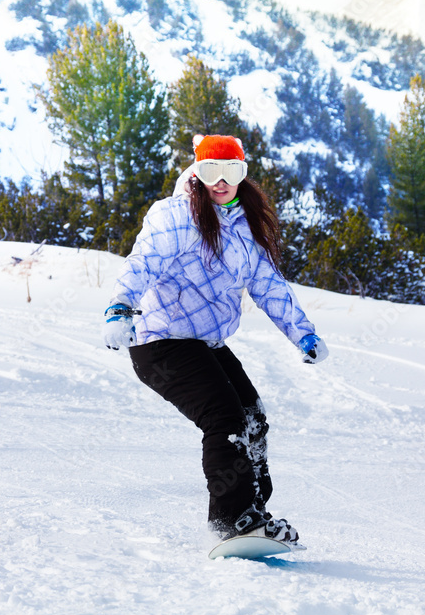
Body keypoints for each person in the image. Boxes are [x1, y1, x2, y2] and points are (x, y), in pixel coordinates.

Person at [101, 134, 329, 545]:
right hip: (162, 342)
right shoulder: (175, 216)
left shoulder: (244, 226)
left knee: (254, 418)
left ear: (243, 174)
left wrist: (303, 334)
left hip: (205, 344)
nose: (220, 182)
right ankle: (232, 520)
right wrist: (120, 307)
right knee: (226, 420)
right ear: (196, 173)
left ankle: (254, 514)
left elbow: (269, 286)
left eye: (231, 171)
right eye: (210, 171)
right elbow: (143, 263)